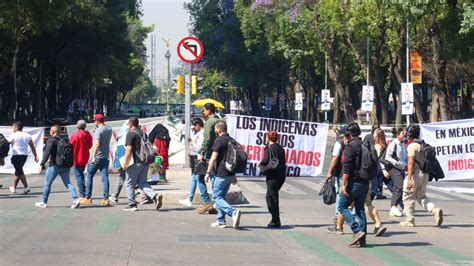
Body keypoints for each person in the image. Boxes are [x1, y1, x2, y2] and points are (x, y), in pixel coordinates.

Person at [400, 125, 443, 227]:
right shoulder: (423, 144)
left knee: (407, 196)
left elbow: (410, 163)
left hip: (415, 174)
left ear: (409, 135)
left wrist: (409, 178)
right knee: (421, 196)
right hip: (425, 174)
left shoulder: (412, 146)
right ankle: (434, 210)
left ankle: (410, 220)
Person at [204, 121, 241, 229]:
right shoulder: (232, 140)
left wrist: (207, 172)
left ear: (219, 130)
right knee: (222, 197)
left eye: (215, 129)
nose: (215, 131)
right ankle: (221, 221)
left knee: (216, 197)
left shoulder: (219, 140)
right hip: (230, 174)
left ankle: (233, 212)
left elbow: (214, 158)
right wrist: (234, 175)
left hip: (221, 174)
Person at [122, 117, 163, 211]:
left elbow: (128, 149)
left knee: (130, 183)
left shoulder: (130, 134)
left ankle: (132, 204)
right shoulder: (143, 133)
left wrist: (125, 163)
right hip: (145, 161)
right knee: (142, 182)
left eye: (128, 124)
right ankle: (154, 196)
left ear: (131, 124)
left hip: (135, 163)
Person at [35, 125, 80, 209]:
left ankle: (44, 202)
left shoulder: (51, 140)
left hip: (55, 165)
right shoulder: (63, 140)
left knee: (47, 183)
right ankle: (75, 199)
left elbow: (47, 152)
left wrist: (42, 164)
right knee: (68, 183)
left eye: (51, 130)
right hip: (65, 165)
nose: (50, 131)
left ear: (53, 131)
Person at [338, 123, 368, 247]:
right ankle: (362, 239)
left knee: (342, 206)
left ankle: (357, 230)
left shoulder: (350, 146)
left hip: (353, 182)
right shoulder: (365, 144)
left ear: (348, 134)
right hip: (365, 182)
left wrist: (343, 184)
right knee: (360, 209)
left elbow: (347, 168)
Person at [81, 114, 113, 206]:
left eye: (95, 120)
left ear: (97, 121)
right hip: (105, 156)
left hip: (98, 156)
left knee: (89, 176)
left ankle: (88, 197)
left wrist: (93, 156)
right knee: (105, 177)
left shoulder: (99, 130)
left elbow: (97, 144)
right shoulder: (109, 129)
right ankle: (106, 198)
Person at [179, 118, 210, 207]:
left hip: (198, 158)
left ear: (198, 125)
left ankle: (206, 201)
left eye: (194, 126)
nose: (194, 128)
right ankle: (190, 199)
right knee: (194, 178)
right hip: (196, 157)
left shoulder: (201, 134)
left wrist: (192, 145)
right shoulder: (200, 133)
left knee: (198, 178)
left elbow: (199, 148)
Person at [197, 103, 221, 214]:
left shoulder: (209, 122)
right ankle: (216, 203)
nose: (203, 112)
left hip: (209, 154)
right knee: (214, 177)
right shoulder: (220, 121)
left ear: (209, 111)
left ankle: (207, 203)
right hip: (219, 153)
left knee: (200, 177)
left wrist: (202, 153)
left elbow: (206, 139)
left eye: (204, 110)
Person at [259, 130, 286, 228]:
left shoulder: (268, 149)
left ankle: (275, 219)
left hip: (272, 176)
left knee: (271, 197)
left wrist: (261, 165)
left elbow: (266, 160)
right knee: (271, 195)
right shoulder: (281, 149)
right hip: (281, 175)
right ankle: (275, 218)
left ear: (268, 138)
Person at [7, 121, 39, 194]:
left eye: (13, 127)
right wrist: (36, 156)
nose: (13, 129)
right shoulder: (27, 135)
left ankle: (26, 187)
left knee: (19, 170)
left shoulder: (13, 135)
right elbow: (32, 146)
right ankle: (14, 188)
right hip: (24, 155)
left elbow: (6, 144)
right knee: (18, 171)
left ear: (16, 127)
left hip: (16, 155)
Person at [325, 126, 345, 234]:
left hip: (340, 173)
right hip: (349, 173)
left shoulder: (339, 143)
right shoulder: (349, 142)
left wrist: (329, 171)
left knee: (339, 195)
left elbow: (335, 158)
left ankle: (338, 218)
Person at [385, 127, 408, 217]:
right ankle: (394, 206)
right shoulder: (393, 144)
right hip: (394, 168)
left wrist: (405, 164)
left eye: (404, 133)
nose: (404, 134)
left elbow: (405, 156)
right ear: (397, 134)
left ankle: (393, 207)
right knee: (400, 186)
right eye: (402, 133)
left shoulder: (403, 144)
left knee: (398, 188)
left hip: (401, 168)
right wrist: (397, 163)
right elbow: (387, 157)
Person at [69, 120, 93, 199]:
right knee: (83, 175)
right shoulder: (87, 135)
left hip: (76, 157)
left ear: (77, 126)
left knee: (79, 176)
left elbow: (70, 147)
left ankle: (82, 193)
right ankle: (84, 190)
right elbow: (90, 146)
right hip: (85, 157)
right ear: (85, 126)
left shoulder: (74, 135)